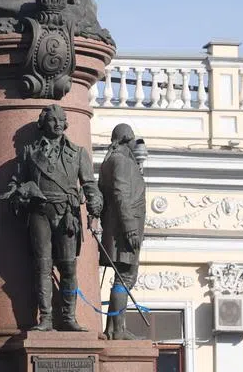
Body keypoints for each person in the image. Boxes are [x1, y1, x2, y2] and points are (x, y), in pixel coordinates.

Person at [1, 104, 104, 331]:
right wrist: (19, 193)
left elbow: (90, 184)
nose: (57, 124)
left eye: (61, 120)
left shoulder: (78, 153)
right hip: (40, 212)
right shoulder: (29, 153)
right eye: (52, 120)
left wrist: (95, 203)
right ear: (42, 124)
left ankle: (68, 318)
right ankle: (46, 318)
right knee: (43, 266)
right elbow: (14, 184)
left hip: (67, 214)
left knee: (68, 268)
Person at [98, 124, 147, 340]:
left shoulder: (110, 161)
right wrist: (129, 228)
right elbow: (120, 195)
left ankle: (113, 328)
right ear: (126, 139)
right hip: (123, 230)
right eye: (132, 142)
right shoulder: (121, 161)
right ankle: (117, 330)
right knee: (125, 277)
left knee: (122, 277)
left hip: (116, 228)